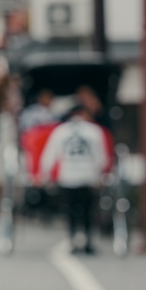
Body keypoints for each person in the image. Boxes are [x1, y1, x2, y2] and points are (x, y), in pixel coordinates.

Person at [40, 106, 114, 254]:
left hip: (68, 176)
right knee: (88, 210)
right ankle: (87, 242)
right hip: (88, 176)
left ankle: (73, 240)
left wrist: (45, 174)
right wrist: (101, 174)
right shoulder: (94, 131)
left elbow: (50, 154)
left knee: (71, 210)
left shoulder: (61, 131)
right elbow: (101, 157)